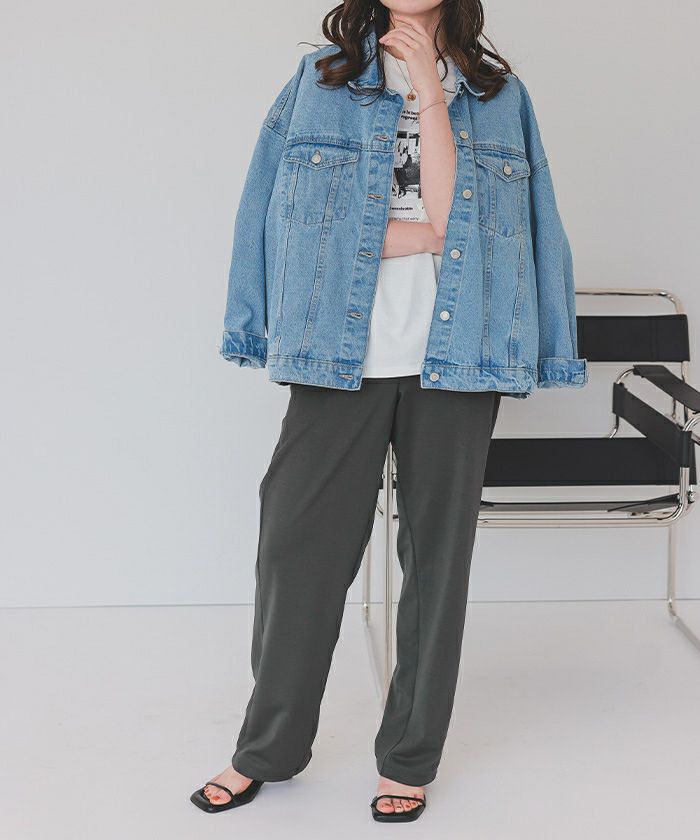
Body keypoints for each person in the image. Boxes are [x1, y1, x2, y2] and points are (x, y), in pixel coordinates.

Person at [190, 0, 587, 823]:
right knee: (296, 553)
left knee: (437, 567)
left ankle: (408, 758)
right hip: (339, 357)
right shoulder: (318, 82)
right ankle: (268, 749)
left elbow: (507, 221)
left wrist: (430, 98)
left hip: (459, 353)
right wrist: (424, 233)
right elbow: (273, 215)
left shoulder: (497, 94)